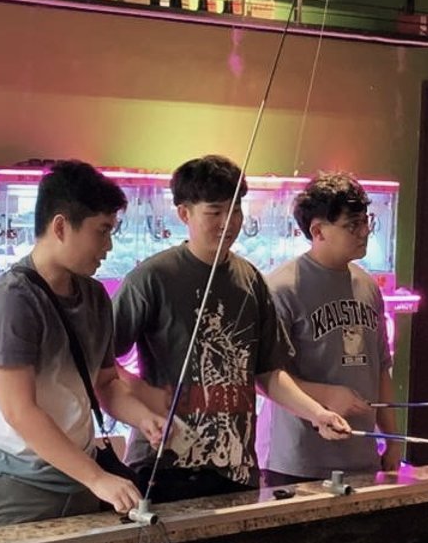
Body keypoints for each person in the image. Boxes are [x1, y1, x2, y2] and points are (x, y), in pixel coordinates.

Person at [113, 154, 352, 498]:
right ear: (184, 213)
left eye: (236, 210)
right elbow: (102, 363)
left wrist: (317, 414)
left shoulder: (250, 280)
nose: (229, 222)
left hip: (237, 468)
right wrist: (142, 399)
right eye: (214, 212)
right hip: (164, 467)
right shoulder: (151, 278)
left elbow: (268, 374)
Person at [0, 160, 173, 528]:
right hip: (13, 488)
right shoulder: (12, 300)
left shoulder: (94, 296)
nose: (108, 246)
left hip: (77, 477)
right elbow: (20, 410)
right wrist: (95, 477)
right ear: (60, 226)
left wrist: (145, 419)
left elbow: (106, 383)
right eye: (102, 231)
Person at [263, 172, 399, 488]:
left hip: (362, 457)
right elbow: (267, 377)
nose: (365, 232)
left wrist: (391, 438)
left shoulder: (367, 285)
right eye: (352, 225)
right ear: (318, 230)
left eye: (367, 221)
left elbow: (381, 370)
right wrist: (327, 395)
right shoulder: (282, 288)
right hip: (301, 462)